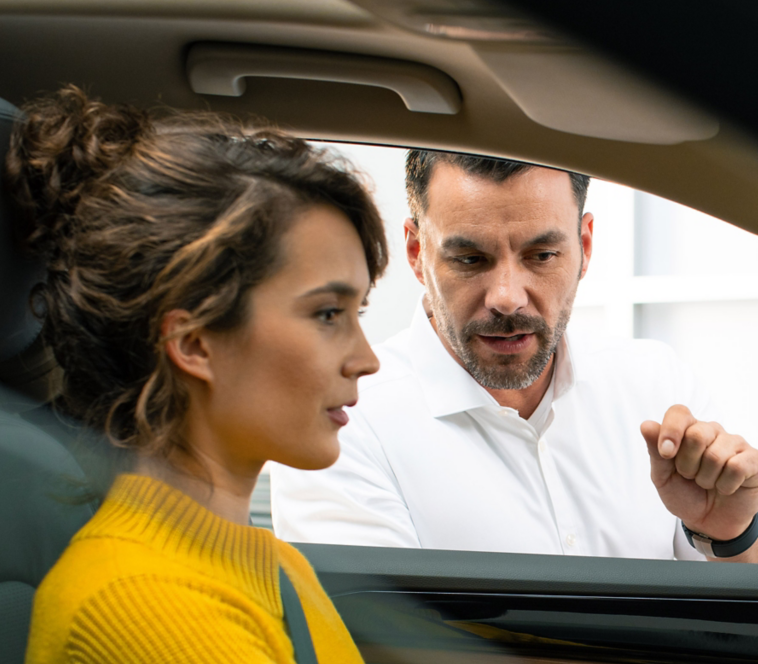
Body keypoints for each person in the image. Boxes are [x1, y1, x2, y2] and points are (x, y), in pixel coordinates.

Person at [9, 88, 758, 664]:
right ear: (194, 341)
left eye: (359, 313)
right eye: (328, 315)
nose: (367, 357)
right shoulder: (136, 604)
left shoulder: (263, 567)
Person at [270, 151, 758, 563]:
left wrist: (732, 534)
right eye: (470, 259)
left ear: (585, 247)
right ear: (417, 252)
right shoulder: (340, 427)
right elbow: (377, 659)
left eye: (542, 255)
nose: (507, 297)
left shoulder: (656, 382)